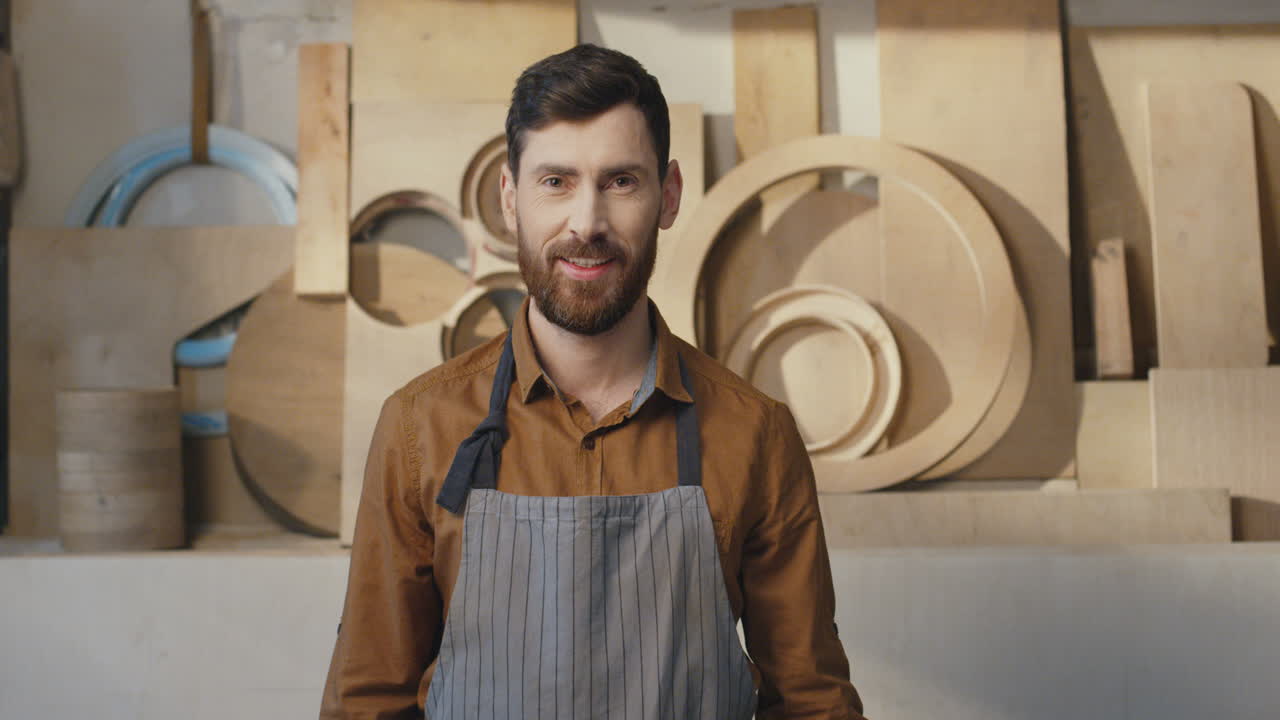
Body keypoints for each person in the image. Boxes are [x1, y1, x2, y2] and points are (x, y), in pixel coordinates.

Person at [320, 43, 865, 720]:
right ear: (510, 197)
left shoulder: (754, 433)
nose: (586, 224)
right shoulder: (419, 429)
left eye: (620, 182)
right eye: (556, 182)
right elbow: (367, 702)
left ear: (667, 197)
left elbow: (812, 701)